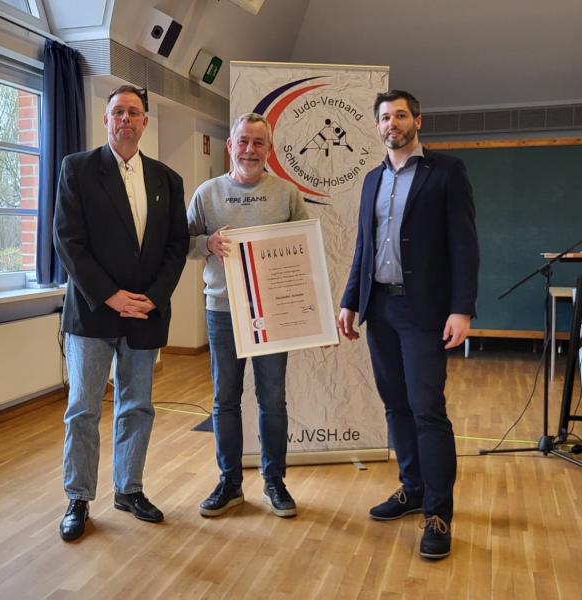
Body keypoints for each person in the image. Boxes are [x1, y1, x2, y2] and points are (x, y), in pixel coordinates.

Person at [337, 90, 479, 560]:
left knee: (426, 410)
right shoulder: (371, 180)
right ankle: (412, 488)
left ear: (418, 121)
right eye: (384, 117)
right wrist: (350, 301)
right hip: (379, 310)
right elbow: (364, 247)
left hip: (425, 313)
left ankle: (438, 513)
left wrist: (462, 309)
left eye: (400, 115)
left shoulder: (446, 172)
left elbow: (464, 245)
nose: (392, 123)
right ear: (377, 126)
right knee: (396, 406)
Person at [53, 85, 189, 541]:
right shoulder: (77, 169)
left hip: (145, 314)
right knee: (82, 409)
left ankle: (129, 489)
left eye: (133, 112)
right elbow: (68, 241)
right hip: (93, 313)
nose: (125, 119)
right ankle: (78, 498)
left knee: (137, 406)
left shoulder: (168, 180)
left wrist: (155, 295)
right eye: (118, 112)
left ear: (145, 122)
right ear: (106, 119)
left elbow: (176, 246)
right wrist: (110, 295)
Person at [187, 112, 309, 518]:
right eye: (243, 141)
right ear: (230, 146)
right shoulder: (207, 193)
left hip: (274, 313)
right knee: (225, 399)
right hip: (223, 311)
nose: (250, 150)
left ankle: (274, 481)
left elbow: (304, 247)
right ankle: (230, 482)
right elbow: (182, 243)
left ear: (269, 149)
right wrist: (208, 243)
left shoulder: (287, 194)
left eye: (258, 143)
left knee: (272, 399)